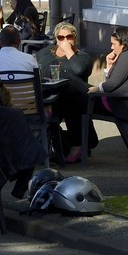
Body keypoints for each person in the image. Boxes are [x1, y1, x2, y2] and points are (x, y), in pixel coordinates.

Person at [36, 21, 94, 162]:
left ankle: (77, 146)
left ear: (75, 38)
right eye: (61, 38)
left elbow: (79, 69)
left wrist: (68, 51)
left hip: (75, 99)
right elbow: (41, 68)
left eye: (69, 37)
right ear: (56, 39)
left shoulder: (83, 57)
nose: (65, 41)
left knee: (70, 91)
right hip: (51, 96)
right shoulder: (46, 53)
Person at [89, 26, 128, 140]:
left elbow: (111, 84)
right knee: (79, 100)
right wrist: (109, 65)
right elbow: (113, 82)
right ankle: (85, 144)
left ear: (123, 44)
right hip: (117, 101)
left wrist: (97, 88)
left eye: (114, 44)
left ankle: (85, 144)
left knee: (77, 103)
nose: (111, 47)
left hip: (118, 103)